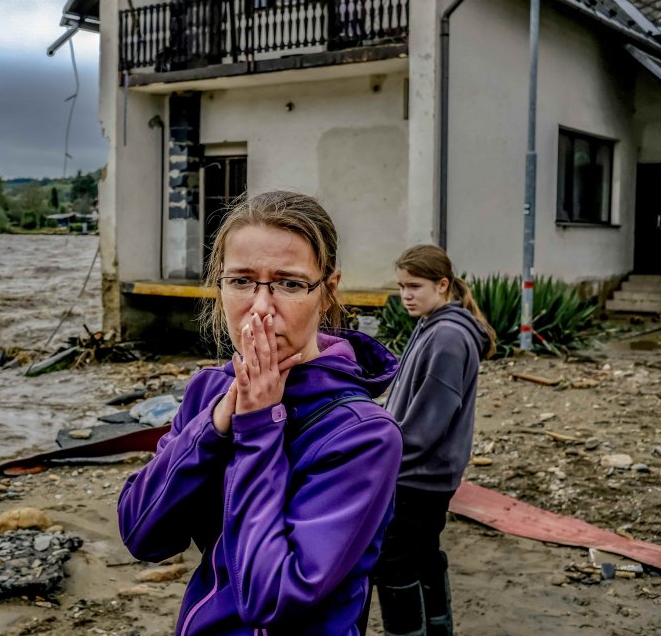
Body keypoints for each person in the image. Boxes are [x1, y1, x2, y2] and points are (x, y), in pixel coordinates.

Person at [117, 190, 404, 635]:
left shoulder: (362, 435)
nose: (261, 308)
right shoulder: (208, 393)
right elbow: (142, 533)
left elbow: (271, 597)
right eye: (242, 281)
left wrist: (258, 430)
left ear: (327, 292)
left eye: (289, 283)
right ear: (221, 285)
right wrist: (212, 429)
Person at [366, 244, 496, 636]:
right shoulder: (433, 326)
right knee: (422, 557)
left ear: (443, 285)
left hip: (417, 477)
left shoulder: (448, 337)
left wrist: (384, 462)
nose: (406, 295)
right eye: (402, 286)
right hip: (426, 475)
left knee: (393, 565)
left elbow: (427, 426)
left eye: (415, 286)